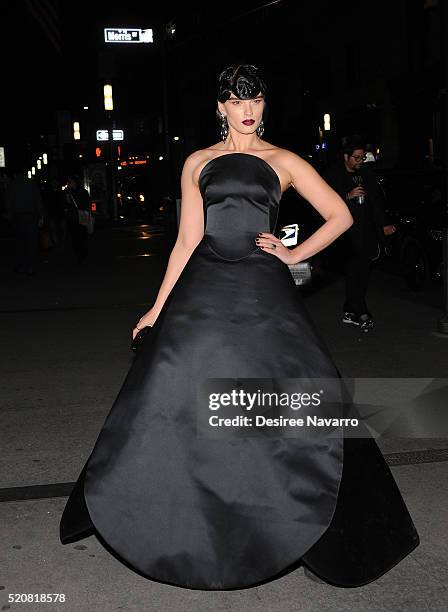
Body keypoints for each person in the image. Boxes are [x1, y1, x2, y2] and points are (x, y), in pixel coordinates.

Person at [60, 65, 419, 589]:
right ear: (220, 107)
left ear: (264, 105)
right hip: (205, 284)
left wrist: (294, 252)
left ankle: (293, 508)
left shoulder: (283, 160)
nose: (248, 109)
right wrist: (159, 307)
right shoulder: (198, 161)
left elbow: (340, 215)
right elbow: (186, 241)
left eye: (256, 99)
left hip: (261, 289)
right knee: (173, 379)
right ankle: (160, 502)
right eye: (236, 100)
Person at [324, 136, 396, 331]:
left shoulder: (366, 173)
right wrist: (348, 196)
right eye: (356, 158)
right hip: (345, 234)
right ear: (346, 157)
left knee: (362, 273)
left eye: (362, 157)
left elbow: (376, 201)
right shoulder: (334, 175)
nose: (359, 161)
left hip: (366, 231)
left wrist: (385, 224)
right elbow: (323, 202)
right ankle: (361, 312)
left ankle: (350, 310)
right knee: (354, 272)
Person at [4, 167, 44, 275]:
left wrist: (9, 215)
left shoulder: (12, 185)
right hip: (31, 217)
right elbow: (38, 200)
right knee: (31, 242)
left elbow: (8, 202)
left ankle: (21, 266)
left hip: (18, 217)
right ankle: (31, 266)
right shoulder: (31, 183)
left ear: (15, 175)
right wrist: (41, 216)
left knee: (19, 242)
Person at [64, 175, 91, 264]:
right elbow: (67, 205)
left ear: (75, 183)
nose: (69, 184)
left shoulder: (83, 192)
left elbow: (87, 204)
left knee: (81, 235)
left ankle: (82, 253)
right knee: (75, 237)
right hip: (73, 217)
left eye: (70, 182)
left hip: (81, 216)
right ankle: (79, 254)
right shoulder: (69, 193)